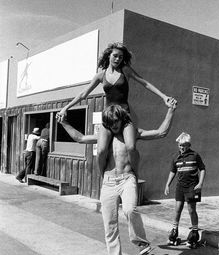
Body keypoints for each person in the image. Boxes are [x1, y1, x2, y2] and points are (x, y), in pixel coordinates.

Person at [57, 99, 177, 255]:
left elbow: (161, 132)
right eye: (110, 123)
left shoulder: (133, 133)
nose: (114, 126)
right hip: (108, 181)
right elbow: (80, 138)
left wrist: (171, 111)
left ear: (122, 120)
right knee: (110, 226)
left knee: (130, 209)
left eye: (116, 122)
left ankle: (142, 244)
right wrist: (64, 122)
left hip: (127, 178)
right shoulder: (104, 138)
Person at [56, 42, 175, 177]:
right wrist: (66, 107)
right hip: (108, 117)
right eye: (115, 56)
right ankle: (103, 176)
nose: (118, 59)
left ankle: (134, 175)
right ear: (109, 56)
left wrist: (164, 97)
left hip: (125, 116)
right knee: (101, 150)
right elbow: (83, 94)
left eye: (120, 57)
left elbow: (145, 83)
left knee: (131, 147)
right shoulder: (100, 76)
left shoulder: (125, 70)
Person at [164, 132, 206, 247]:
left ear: (189, 145)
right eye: (180, 145)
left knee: (191, 210)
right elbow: (173, 171)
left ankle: (194, 232)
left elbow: (202, 169)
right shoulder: (175, 157)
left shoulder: (195, 155)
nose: (181, 147)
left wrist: (200, 183)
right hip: (180, 187)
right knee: (177, 209)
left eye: (184, 145)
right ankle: (174, 230)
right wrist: (167, 184)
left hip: (192, 186)